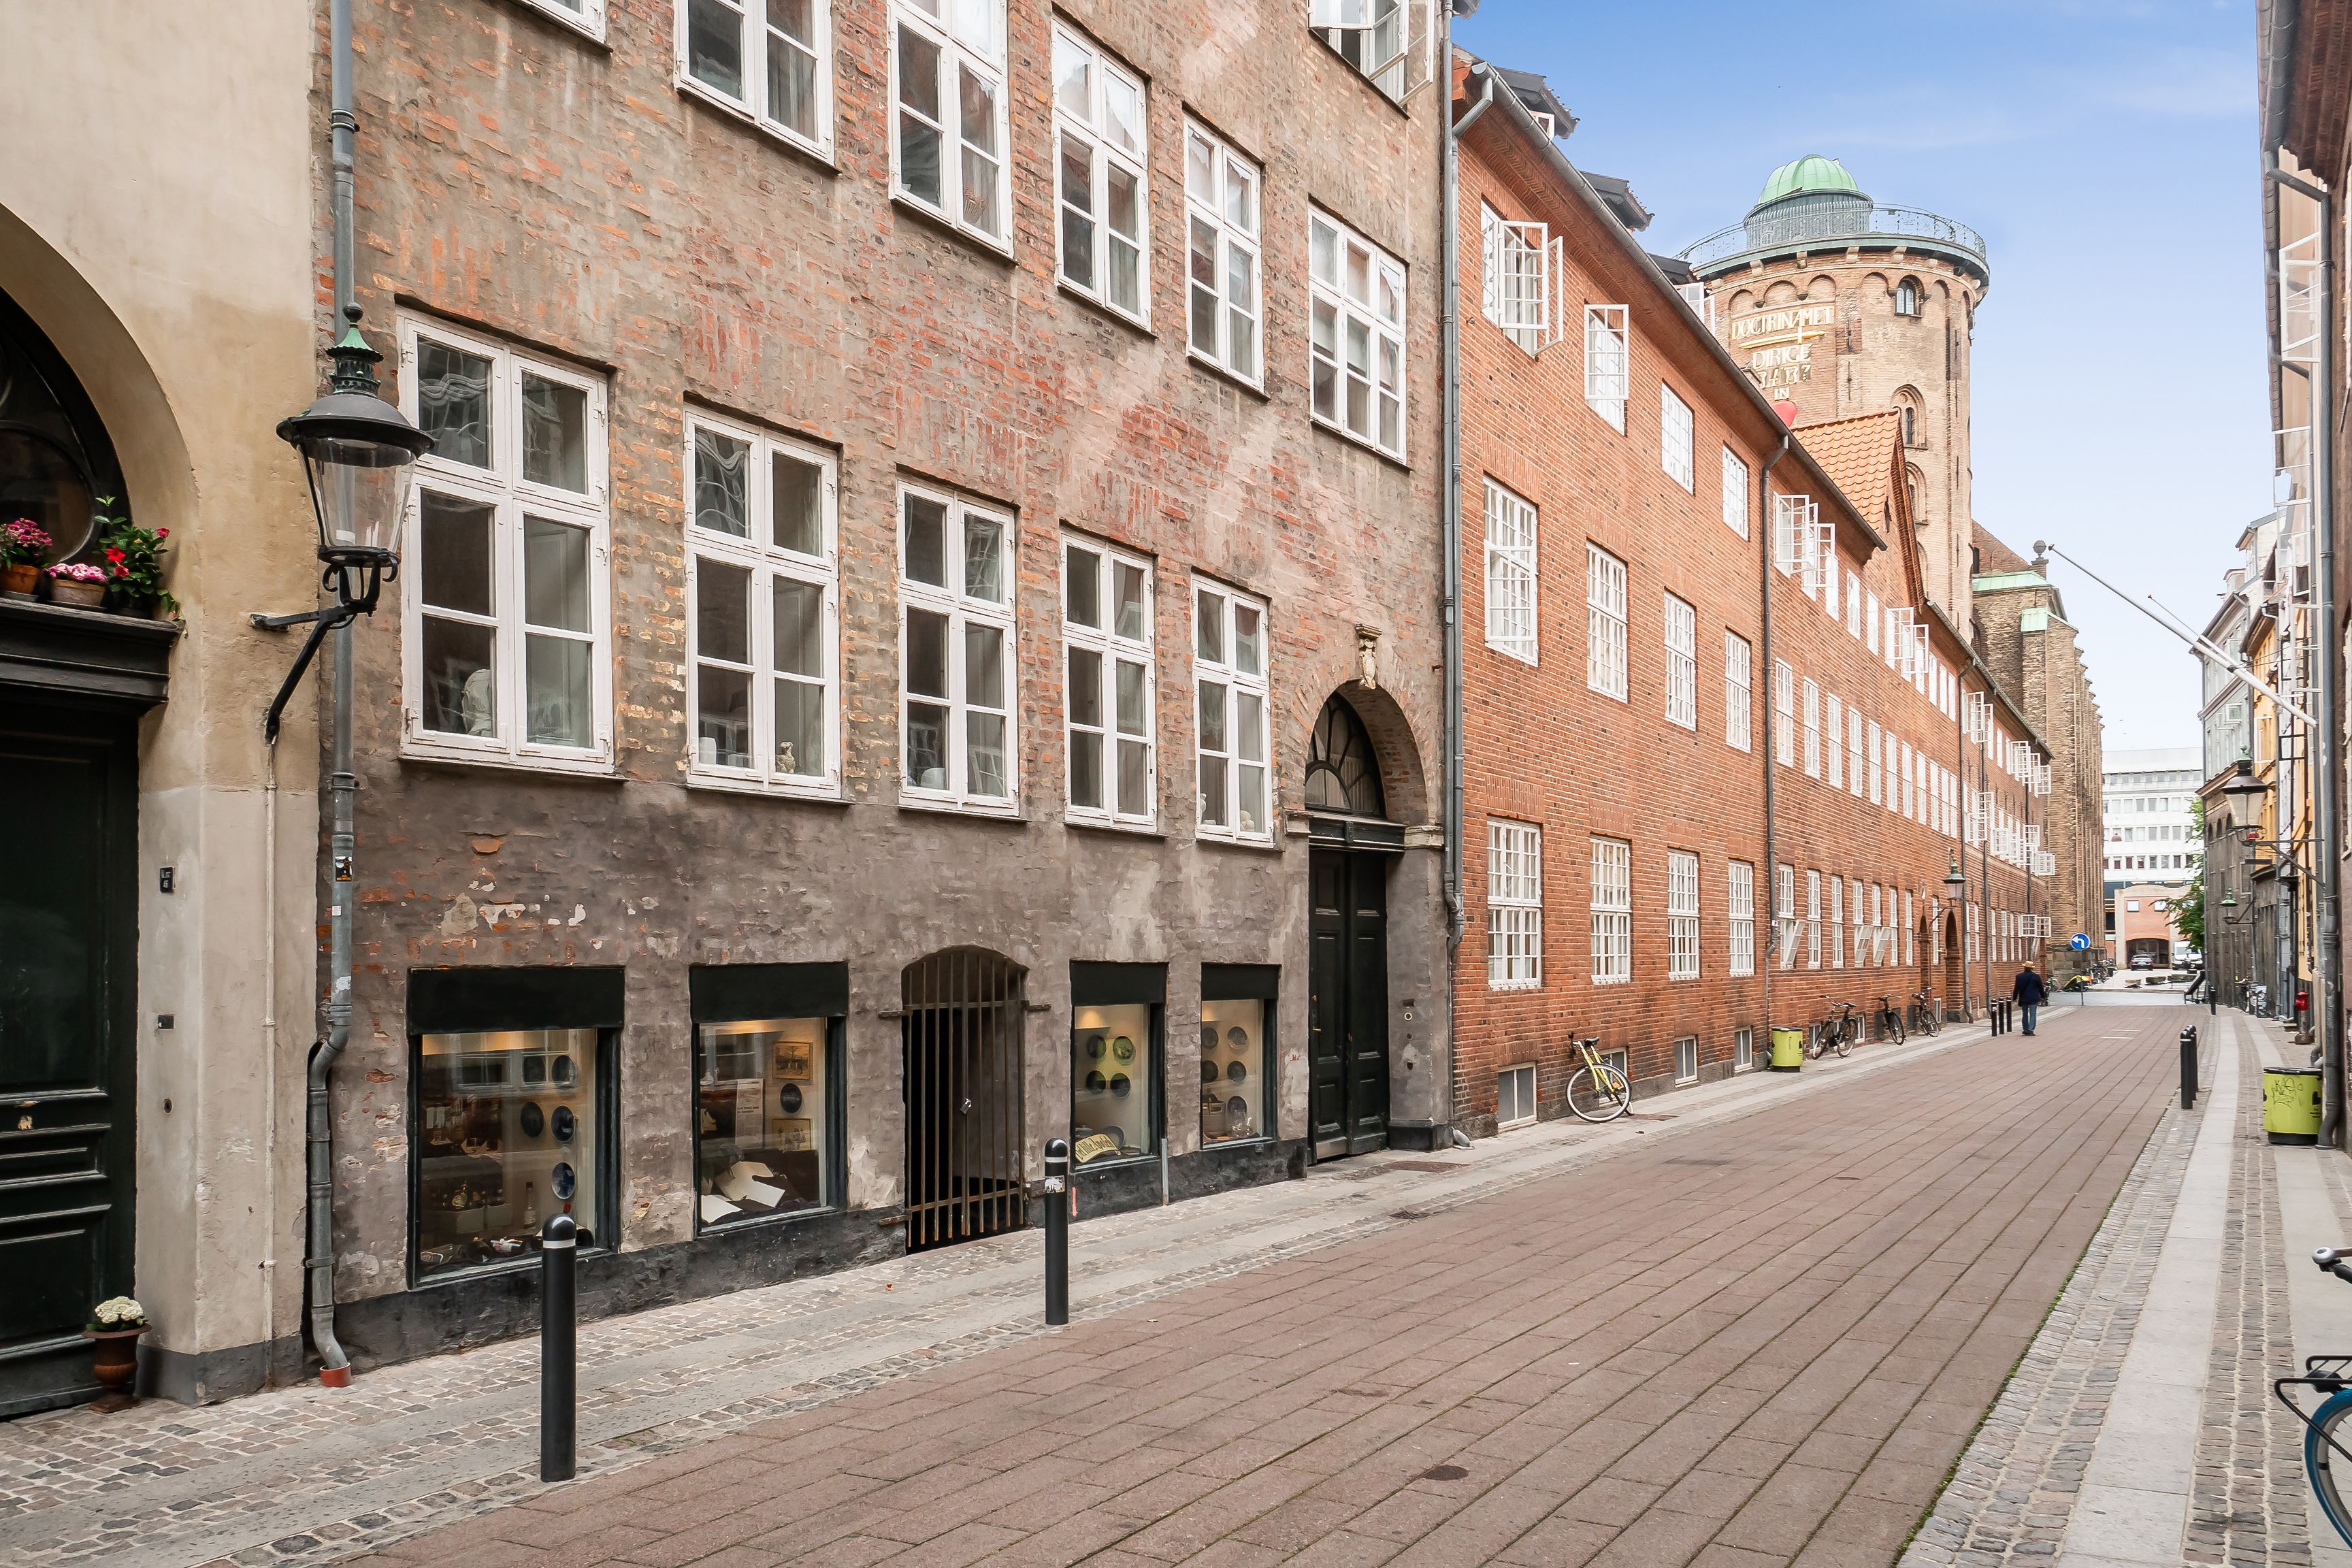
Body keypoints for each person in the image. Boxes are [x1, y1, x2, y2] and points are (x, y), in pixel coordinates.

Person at [2012, 962, 2048, 1036]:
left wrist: (2015, 997)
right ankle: (2031, 1029)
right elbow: (2041, 988)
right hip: (2033, 998)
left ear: (2024, 968)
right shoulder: (2036, 977)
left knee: (2025, 1014)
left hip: (2024, 998)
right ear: (2032, 968)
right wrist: (2043, 996)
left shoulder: (2019, 976)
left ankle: (2025, 1029)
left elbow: (2016, 988)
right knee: (2033, 1014)